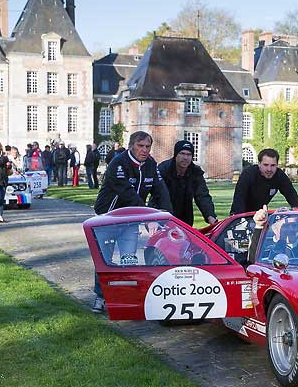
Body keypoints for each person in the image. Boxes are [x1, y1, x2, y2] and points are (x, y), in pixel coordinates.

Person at [91, 131, 173, 313]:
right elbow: (127, 194)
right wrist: (148, 218)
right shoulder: (118, 163)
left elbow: (161, 190)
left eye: (147, 146)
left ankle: (125, 298)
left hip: (130, 222)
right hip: (108, 218)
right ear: (131, 146)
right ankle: (101, 297)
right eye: (140, 146)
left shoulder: (151, 164)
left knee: (129, 260)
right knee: (105, 261)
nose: (144, 150)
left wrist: (168, 217)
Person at [158, 139, 218, 226]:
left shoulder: (196, 172)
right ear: (175, 155)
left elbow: (202, 195)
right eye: (182, 153)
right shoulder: (163, 169)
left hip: (186, 216)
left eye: (189, 154)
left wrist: (210, 216)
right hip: (163, 215)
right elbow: (159, 196)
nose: (185, 158)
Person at [230, 148, 298, 215]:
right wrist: (240, 220)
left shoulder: (280, 176)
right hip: (239, 214)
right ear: (259, 164)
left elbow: (292, 196)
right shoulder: (248, 174)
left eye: (273, 165)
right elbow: (239, 199)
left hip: (260, 213)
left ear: (277, 165)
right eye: (266, 165)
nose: (269, 169)